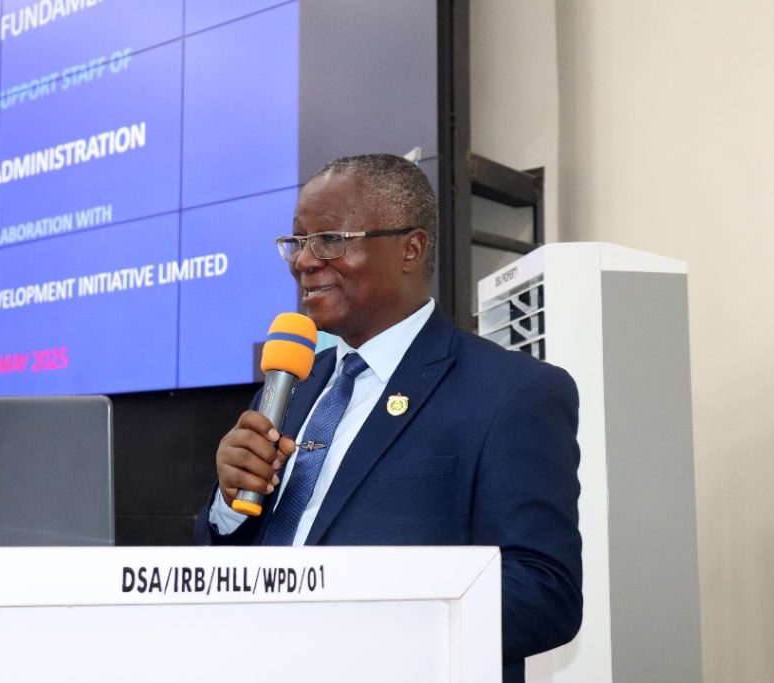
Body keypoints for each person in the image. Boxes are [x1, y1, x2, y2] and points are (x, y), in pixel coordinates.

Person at [193, 153, 582, 682]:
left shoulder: (511, 393)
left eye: (330, 239)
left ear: (410, 248)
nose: (303, 261)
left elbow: (544, 593)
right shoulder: (290, 386)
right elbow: (222, 562)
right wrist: (228, 504)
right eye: (298, 241)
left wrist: (348, 628)